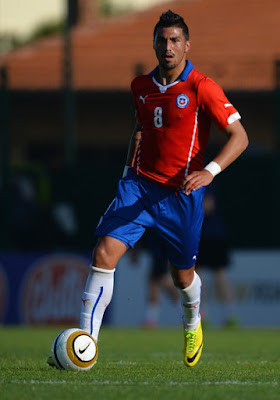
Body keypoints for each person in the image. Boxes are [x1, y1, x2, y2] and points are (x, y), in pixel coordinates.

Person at [48, 10, 248, 368]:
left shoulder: (202, 86)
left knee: (182, 276)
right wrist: (127, 173)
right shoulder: (140, 86)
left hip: (181, 195)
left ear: (187, 45)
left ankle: (192, 322)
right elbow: (140, 131)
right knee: (103, 255)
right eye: (162, 39)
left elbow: (240, 136)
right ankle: (85, 347)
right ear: (154, 43)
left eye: (174, 40)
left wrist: (211, 172)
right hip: (139, 189)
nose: (168, 46)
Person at [196, 187, 237, 327]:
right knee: (198, 278)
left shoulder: (204, 183)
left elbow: (208, 206)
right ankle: (203, 316)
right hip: (198, 236)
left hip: (214, 237)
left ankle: (230, 315)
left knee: (220, 275)